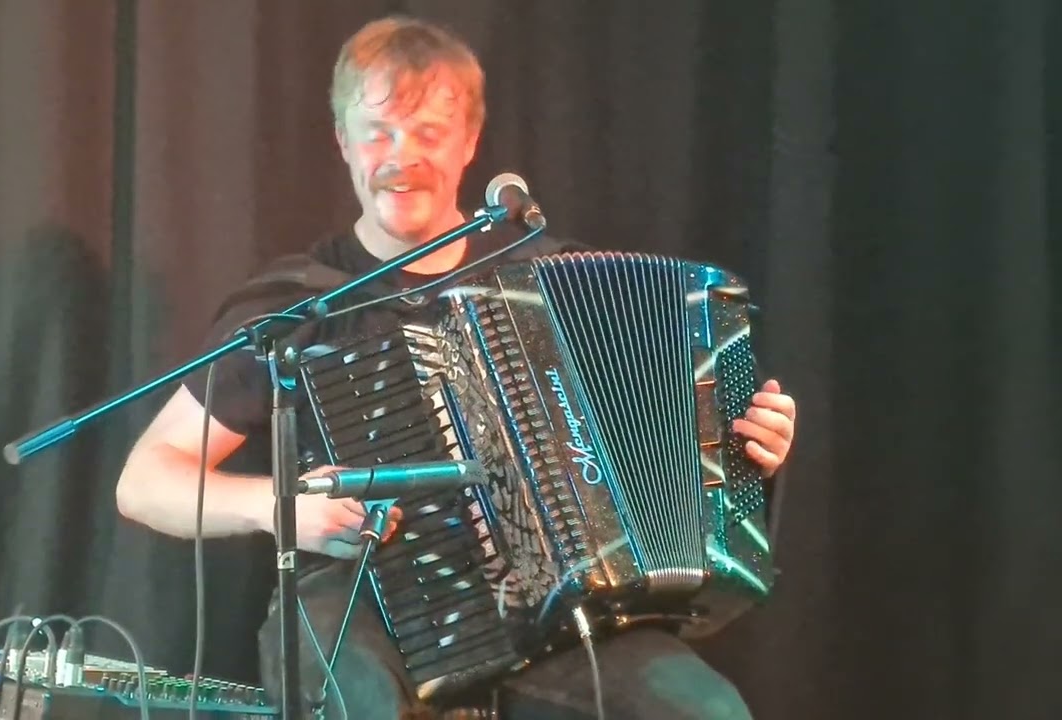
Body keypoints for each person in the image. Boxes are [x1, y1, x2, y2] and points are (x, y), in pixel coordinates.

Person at [116, 15, 797, 720]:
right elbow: (145, 479)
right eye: (377, 130)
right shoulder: (296, 303)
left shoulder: (550, 279)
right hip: (368, 599)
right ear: (343, 141)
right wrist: (281, 509)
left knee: (705, 710)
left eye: (428, 134)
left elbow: (674, 455)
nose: (399, 156)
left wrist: (753, 450)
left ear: (469, 143)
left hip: (558, 606)